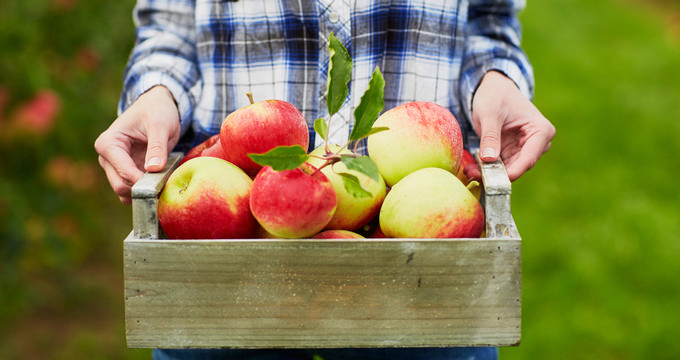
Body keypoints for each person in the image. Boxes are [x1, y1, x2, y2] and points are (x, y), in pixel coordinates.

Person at [95, 1, 555, 359]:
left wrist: (496, 78)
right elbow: (169, 27)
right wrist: (158, 91)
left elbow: (489, 19)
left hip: (425, 273)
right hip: (224, 261)